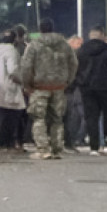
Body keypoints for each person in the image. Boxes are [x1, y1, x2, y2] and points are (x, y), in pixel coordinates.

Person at [20, 18, 79, 159]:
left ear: (40, 29)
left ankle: (43, 149)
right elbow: (74, 64)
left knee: (38, 118)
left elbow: (26, 67)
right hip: (59, 87)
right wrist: (67, 81)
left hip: (39, 87)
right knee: (57, 119)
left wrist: (26, 85)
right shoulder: (65, 45)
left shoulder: (34, 46)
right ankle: (57, 149)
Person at [76, 26, 107, 153]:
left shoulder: (81, 51)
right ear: (102, 34)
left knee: (91, 117)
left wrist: (81, 82)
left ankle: (94, 147)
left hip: (87, 88)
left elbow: (76, 68)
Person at [0, 32, 27, 151]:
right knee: (12, 118)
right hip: (10, 88)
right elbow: (13, 71)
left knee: (1, 118)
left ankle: (2, 143)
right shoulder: (12, 51)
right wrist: (22, 81)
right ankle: (8, 143)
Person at [64, 35, 86, 150]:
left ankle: (68, 140)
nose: (80, 46)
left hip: (65, 88)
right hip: (69, 89)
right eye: (79, 44)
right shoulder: (72, 56)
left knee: (70, 116)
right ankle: (70, 140)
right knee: (71, 116)